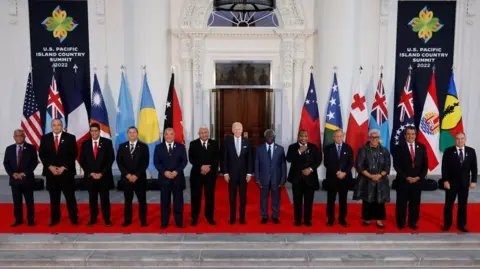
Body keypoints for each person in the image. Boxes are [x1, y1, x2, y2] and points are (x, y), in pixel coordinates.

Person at [39, 119, 78, 226]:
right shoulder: (45, 138)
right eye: (54, 125)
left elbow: (73, 154)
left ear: (62, 126)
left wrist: (63, 167)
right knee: (54, 198)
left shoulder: (70, 138)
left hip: (66, 173)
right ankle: (55, 219)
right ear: (51, 126)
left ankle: (73, 218)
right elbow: (42, 155)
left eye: (58, 125)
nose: (56, 127)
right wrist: (50, 167)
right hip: (51, 174)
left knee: (70, 197)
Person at [353, 129, 391, 229]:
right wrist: (370, 176)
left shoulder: (384, 150)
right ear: (369, 138)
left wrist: (379, 175)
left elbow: (387, 166)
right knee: (367, 200)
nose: (374, 139)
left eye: (376, 137)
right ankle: (367, 218)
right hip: (366, 179)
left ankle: (379, 220)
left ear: (379, 139)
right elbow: (359, 166)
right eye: (372, 137)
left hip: (380, 180)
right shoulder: (363, 150)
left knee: (379, 200)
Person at [79, 123, 115, 227]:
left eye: (96, 131)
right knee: (92, 199)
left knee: (105, 199)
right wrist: (91, 173)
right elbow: (82, 160)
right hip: (91, 177)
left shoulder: (107, 142)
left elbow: (110, 159)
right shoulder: (85, 144)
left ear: (99, 131)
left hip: (104, 177)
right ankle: (93, 218)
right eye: (92, 131)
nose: (94, 133)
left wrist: (101, 173)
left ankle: (107, 219)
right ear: (90, 132)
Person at [393, 126, 428, 230]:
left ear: (415, 135)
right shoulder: (399, 147)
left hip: (417, 181)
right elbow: (397, 165)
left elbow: (425, 165)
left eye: (413, 134)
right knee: (401, 203)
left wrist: (418, 177)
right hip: (403, 180)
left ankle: (413, 222)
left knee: (415, 203)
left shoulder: (421, 147)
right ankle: (401, 223)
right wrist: (406, 177)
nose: (411, 136)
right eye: (408, 134)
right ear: (405, 136)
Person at [442, 132, 477, 233]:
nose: (460, 141)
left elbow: (474, 168)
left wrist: (474, 181)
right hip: (451, 183)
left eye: (462, 138)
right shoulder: (448, 151)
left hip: (464, 184)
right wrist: (445, 180)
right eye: (457, 139)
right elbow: (445, 168)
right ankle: (447, 224)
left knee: (463, 205)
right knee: (449, 205)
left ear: (465, 139)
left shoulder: (471, 151)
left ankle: (461, 225)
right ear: (455, 140)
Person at [286, 130, 322, 226]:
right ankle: (297, 219)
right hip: (296, 178)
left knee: (308, 200)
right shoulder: (292, 147)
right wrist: (299, 151)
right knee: (297, 201)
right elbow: (289, 159)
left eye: (305, 136)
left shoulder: (313, 147)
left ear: (308, 137)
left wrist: (310, 169)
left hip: (310, 178)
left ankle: (307, 219)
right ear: (298, 137)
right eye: (301, 136)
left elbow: (318, 160)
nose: (303, 138)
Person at [154, 128, 188, 229]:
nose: (169, 136)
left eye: (171, 134)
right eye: (166, 134)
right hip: (164, 178)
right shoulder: (158, 147)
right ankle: (164, 222)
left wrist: (176, 171)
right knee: (165, 201)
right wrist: (164, 172)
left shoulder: (181, 147)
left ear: (174, 135)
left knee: (178, 201)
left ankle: (179, 221)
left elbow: (184, 161)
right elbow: (156, 162)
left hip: (177, 178)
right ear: (164, 135)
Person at [3, 129, 38, 226]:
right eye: (16, 136)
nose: (18, 137)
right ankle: (18, 220)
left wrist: (24, 173)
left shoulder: (31, 148)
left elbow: (34, 163)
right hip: (14, 180)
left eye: (20, 135)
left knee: (29, 201)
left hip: (27, 179)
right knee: (17, 201)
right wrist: (12, 174)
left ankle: (30, 220)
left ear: (24, 137)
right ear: (14, 137)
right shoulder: (9, 149)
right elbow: (6, 163)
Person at [116, 126, 149, 227]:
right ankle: (127, 220)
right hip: (127, 179)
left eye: (134, 132)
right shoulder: (122, 146)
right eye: (130, 132)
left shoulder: (143, 146)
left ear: (137, 134)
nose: (132, 134)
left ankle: (143, 220)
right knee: (127, 201)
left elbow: (145, 163)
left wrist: (136, 175)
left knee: (142, 201)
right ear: (127, 134)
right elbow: (119, 162)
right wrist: (127, 174)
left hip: (139, 179)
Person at [222, 122, 253, 224]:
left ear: (242, 129)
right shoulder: (227, 142)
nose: (237, 130)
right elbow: (224, 159)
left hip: (244, 175)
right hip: (231, 174)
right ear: (232, 130)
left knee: (243, 197)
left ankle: (242, 218)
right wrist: (225, 173)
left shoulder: (247, 142)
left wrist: (249, 173)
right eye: (235, 128)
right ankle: (232, 217)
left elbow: (250, 159)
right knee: (232, 197)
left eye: (239, 128)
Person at [188, 126, 219, 226]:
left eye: (206, 132)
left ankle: (209, 217)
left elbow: (217, 158)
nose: (204, 134)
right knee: (195, 197)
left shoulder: (214, 143)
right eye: (202, 132)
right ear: (199, 133)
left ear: (208, 133)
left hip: (210, 175)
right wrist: (201, 167)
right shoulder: (193, 144)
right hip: (197, 175)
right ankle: (194, 217)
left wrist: (208, 167)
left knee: (210, 197)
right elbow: (191, 159)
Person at [254, 129, 286, 224]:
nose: (270, 138)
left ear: (274, 137)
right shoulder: (259, 149)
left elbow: (283, 165)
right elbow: (256, 164)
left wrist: (283, 179)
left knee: (276, 198)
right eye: (268, 136)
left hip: (276, 178)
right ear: (265, 137)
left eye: (271, 136)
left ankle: (275, 215)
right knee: (263, 198)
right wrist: (257, 179)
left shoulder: (280, 149)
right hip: (264, 179)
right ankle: (264, 216)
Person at [323, 129, 353, 227]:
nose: (339, 138)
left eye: (340, 136)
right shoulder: (328, 148)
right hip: (332, 178)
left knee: (343, 200)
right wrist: (336, 172)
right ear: (333, 137)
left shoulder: (348, 148)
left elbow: (351, 163)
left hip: (344, 178)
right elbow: (326, 163)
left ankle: (342, 219)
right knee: (331, 200)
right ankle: (330, 219)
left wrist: (344, 173)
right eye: (337, 136)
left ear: (343, 136)